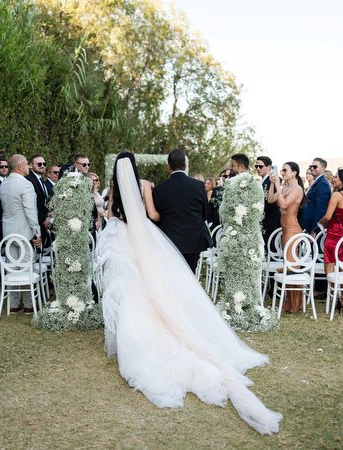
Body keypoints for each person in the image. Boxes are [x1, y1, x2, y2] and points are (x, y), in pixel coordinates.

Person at [96, 152, 282, 435]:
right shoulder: (148, 185)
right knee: (161, 284)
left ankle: (135, 334)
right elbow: (154, 215)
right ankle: (174, 318)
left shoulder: (117, 186)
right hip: (148, 236)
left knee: (131, 289)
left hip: (122, 240)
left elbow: (110, 215)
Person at [152, 149, 211, 273]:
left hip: (169, 242)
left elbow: (156, 218)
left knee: (173, 278)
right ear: (185, 166)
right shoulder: (198, 186)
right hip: (194, 241)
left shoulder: (159, 189)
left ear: (169, 167)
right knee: (190, 276)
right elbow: (205, 214)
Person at [0, 154, 42, 314]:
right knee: (26, 269)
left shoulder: (4, 183)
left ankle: (14, 304)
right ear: (19, 167)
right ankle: (29, 305)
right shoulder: (26, 184)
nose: (28, 167)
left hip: (8, 232)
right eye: (26, 165)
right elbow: (30, 211)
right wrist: (36, 233)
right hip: (24, 232)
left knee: (12, 269)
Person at [317, 168, 343, 312]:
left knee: (329, 268)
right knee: (342, 267)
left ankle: (334, 299)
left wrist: (321, 222)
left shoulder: (336, 195)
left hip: (334, 233)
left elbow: (328, 216)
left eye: (335, 177)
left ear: (342, 180)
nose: (333, 179)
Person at [268, 162, 305, 314]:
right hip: (285, 229)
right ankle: (290, 303)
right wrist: (272, 184)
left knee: (292, 267)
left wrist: (278, 184)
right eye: (282, 170)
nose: (282, 172)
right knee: (287, 264)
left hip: (292, 229)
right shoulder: (286, 188)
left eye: (285, 170)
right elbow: (271, 200)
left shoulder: (297, 189)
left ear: (294, 172)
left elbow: (283, 205)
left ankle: (294, 305)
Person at [300, 157, 331, 235]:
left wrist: (314, 229)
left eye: (315, 167)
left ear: (323, 169)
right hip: (309, 226)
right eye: (311, 166)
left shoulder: (323, 183)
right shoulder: (317, 182)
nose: (311, 168)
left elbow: (320, 209)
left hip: (317, 230)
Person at [256, 156, 281, 246]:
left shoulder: (272, 181)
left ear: (269, 167)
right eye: (256, 166)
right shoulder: (262, 182)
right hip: (265, 220)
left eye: (260, 166)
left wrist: (257, 209)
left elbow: (273, 202)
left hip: (271, 221)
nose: (258, 169)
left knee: (271, 250)